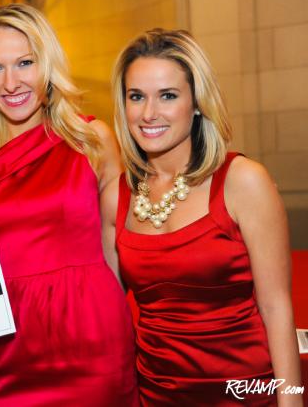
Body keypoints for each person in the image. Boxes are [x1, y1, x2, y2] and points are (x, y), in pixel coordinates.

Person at [102, 28, 303, 406]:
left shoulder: (242, 181)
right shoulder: (117, 196)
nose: (149, 113)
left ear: (196, 103)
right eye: (136, 97)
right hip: (156, 394)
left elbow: (276, 307)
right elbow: (108, 312)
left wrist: (292, 401)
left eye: (168, 96)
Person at [0, 4, 138, 406]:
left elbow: (116, 246)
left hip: (94, 338)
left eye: (25, 62)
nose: (11, 82)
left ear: (48, 65)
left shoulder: (91, 139)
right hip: (12, 346)